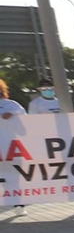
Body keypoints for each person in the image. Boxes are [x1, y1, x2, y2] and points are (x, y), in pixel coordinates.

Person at [0, 78, 24, 215]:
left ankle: (18, 204)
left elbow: (26, 120)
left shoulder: (11, 105)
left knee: (14, 176)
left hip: (10, 146)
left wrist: (12, 114)